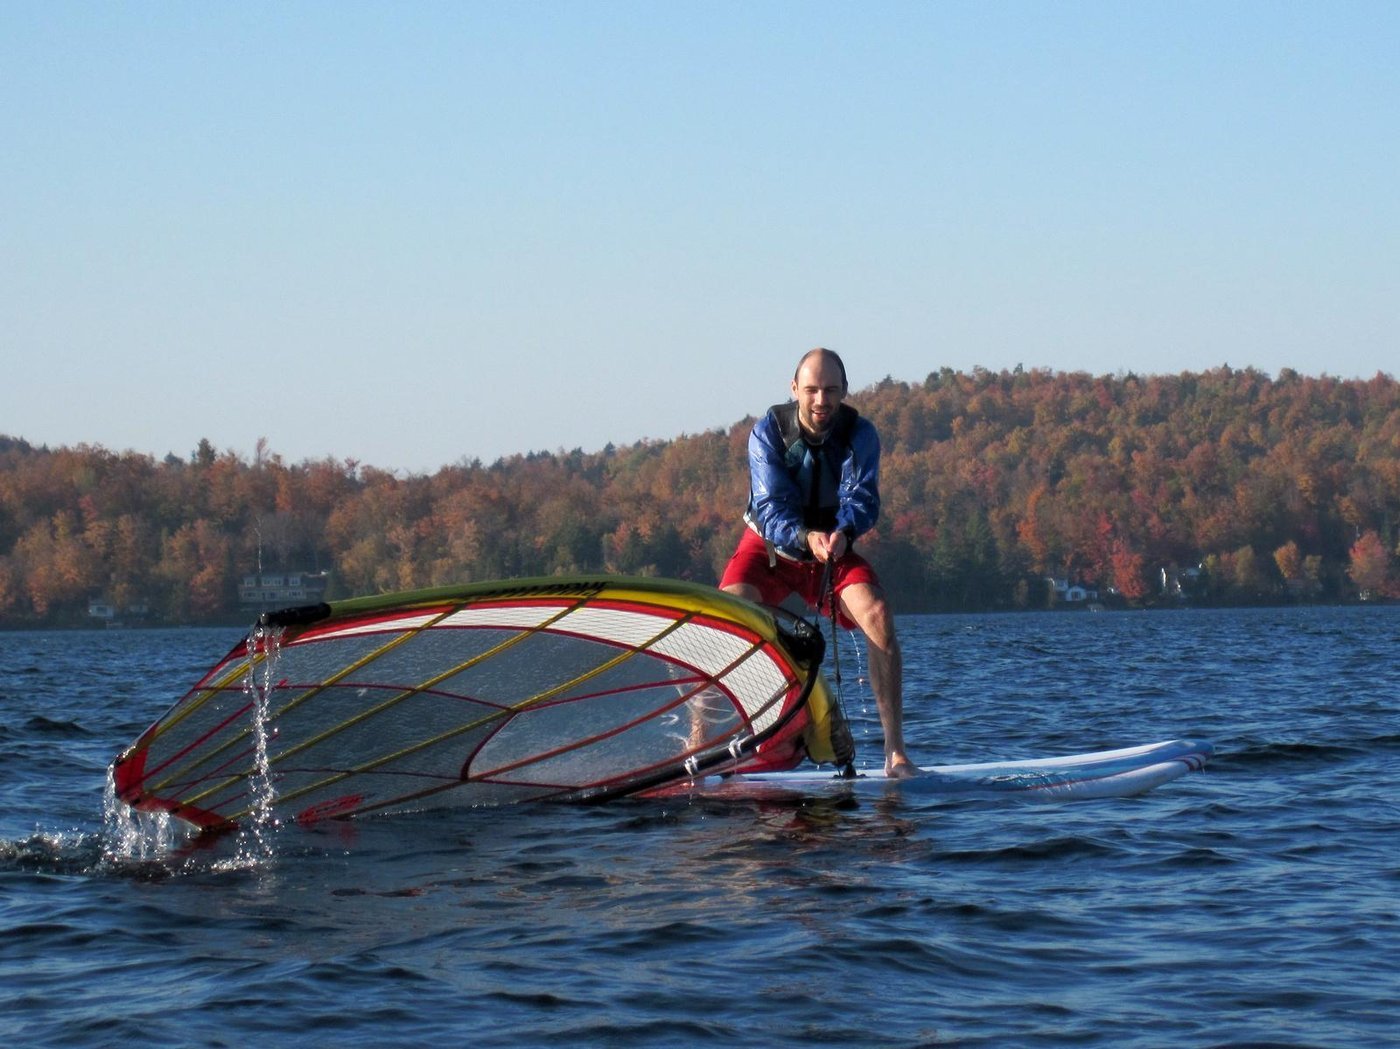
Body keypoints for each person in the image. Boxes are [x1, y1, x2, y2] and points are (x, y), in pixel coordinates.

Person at [720, 347, 915, 777]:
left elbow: (862, 500)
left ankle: (895, 754)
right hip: (770, 547)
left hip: (832, 547)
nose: (821, 400)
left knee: (878, 614)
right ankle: (701, 747)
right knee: (720, 618)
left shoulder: (860, 434)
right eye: (811, 390)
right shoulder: (767, 433)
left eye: (830, 390)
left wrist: (843, 534)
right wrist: (806, 536)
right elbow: (770, 508)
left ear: (844, 391)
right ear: (794, 390)